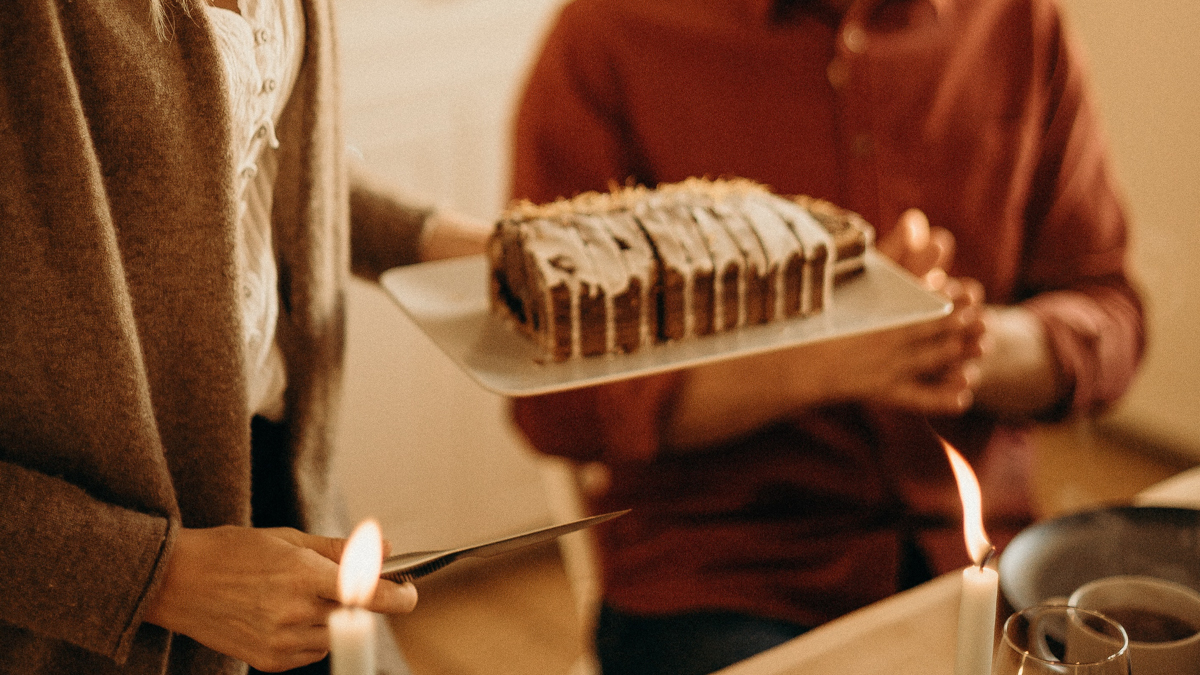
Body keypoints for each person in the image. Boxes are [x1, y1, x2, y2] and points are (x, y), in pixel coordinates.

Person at [507, 0, 1146, 673]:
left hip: (984, 555)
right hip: (724, 578)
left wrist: (958, 340)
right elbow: (552, 403)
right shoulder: (612, 30)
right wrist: (827, 359)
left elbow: (1112, 314)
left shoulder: (1021, 21)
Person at [0, 0, 491, 673]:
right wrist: (161, 576)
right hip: (90, 598)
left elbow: (231, 148)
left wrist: (446, 242)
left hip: (284, 487)